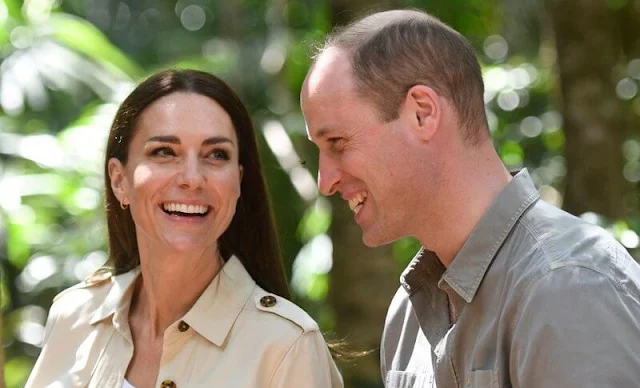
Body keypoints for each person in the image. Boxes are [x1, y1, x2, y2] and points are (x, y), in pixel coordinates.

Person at [301, 8, 640, 388]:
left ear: (422, 113)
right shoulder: (407, 317)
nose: (325, 181)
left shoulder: (567, 286)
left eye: (337, 143)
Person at [27, 69, 343, 388]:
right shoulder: (73, 316)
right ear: (119, 180)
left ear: (238, 182)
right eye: (164, 152)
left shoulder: (287, 346)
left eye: (216, 155)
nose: (192, 178)